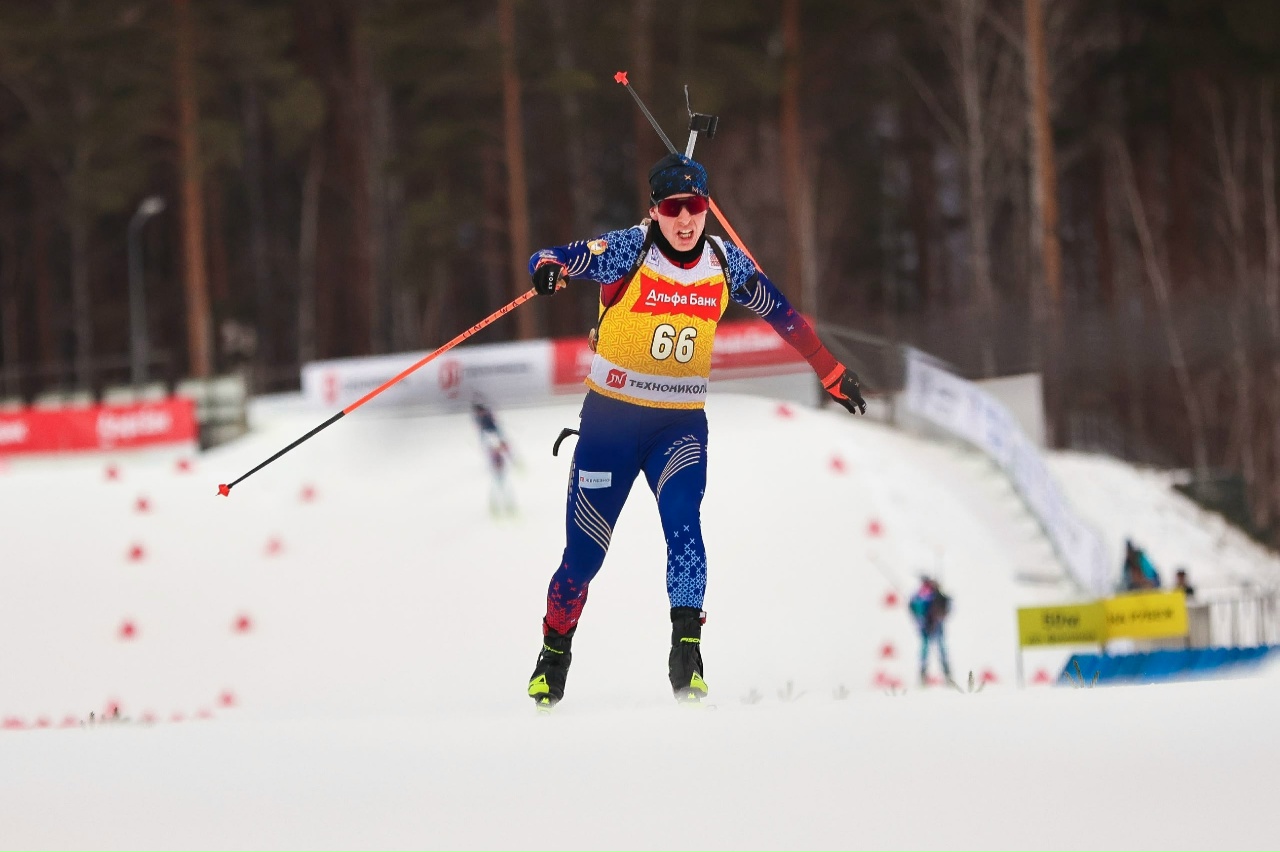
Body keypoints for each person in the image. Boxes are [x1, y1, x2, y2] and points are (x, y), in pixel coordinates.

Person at [524, 152, 867, 710]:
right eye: (673, 208)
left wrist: (829, 370)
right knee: (583, 558)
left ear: (708, 207)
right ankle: (554, 652)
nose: (686, 220)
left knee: (683, 525)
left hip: (678, 425)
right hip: (610, 422)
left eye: (697, 207)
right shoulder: (629, 251)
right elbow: (555, 256)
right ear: (655, 211)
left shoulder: (724, 263)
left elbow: (783, 314)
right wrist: (549, 270)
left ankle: (688, 651)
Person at [472, 400, 517, 517]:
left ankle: (507, 504)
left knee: (504, 485)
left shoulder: (487, 415)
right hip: (495, 465)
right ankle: (495, 505)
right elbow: (491, 454)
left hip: (493, 431)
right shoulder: (490, 447)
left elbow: (494, 424)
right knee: (497, 486)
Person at [908, 577, 951, 686]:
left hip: (935, 626)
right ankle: (925, 675)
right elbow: (914, 609)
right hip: (926, 627)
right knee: (928, 650)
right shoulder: (920, 598)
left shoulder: (937, 596)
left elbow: (945, 609)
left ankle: (946, 675)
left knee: (938, 649)